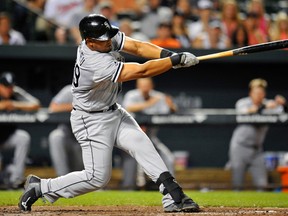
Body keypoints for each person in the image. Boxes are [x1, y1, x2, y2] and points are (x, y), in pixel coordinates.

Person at [18, 13, 200, 213]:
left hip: (114, 111)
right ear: (90, 42)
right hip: (90, 120)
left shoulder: (101, 39)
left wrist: (168, 55)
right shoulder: (93, 62)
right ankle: (42, 188)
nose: (109, 41)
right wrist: (173, 62)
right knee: (97, 177)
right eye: (104, 39)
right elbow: (140, 71)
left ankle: (173, 195)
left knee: (142, 144)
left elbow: (139, 47)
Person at [227, 78, 286, 191]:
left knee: (262, 184)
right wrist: (264, 108)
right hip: (240, 147)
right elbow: (249, 112)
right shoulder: (243, 102)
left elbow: (283, 113)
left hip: (257, 150)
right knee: (237, 184)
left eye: (261, 93)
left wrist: (283, 104)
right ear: (251, 93)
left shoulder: (268, 104)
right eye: (256, 92)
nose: (259, 95)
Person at [121, 77, 177, 190]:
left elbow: (169, 110)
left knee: (168, 158)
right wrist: (149, 103)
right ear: (138, 86)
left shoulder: (158, 96)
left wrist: (171, 107)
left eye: (147, 85)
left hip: (151, 136)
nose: (144, 87)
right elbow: (128, 107)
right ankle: (129, 187)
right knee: (131, 163)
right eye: (142, 85)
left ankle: (171, 187)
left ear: (151, 86)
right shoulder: (132, 95)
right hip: (133, 136)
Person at [0, 71, 41, 189]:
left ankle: (16, 180)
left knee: (23, 137)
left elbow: (35, 104)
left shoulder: (15, 91)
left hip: (8, 136)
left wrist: (13, 104)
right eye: (6, 87)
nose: (9, 90)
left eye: (11, 87)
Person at [48, 84, 83, 177]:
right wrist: (76, 105)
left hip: (85, 138)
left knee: (79, 171)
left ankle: (95, 181)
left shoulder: (98, 92)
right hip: (68, 134)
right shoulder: (70, 90)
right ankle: (61, 179)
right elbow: (53, 108)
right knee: (55, 136)